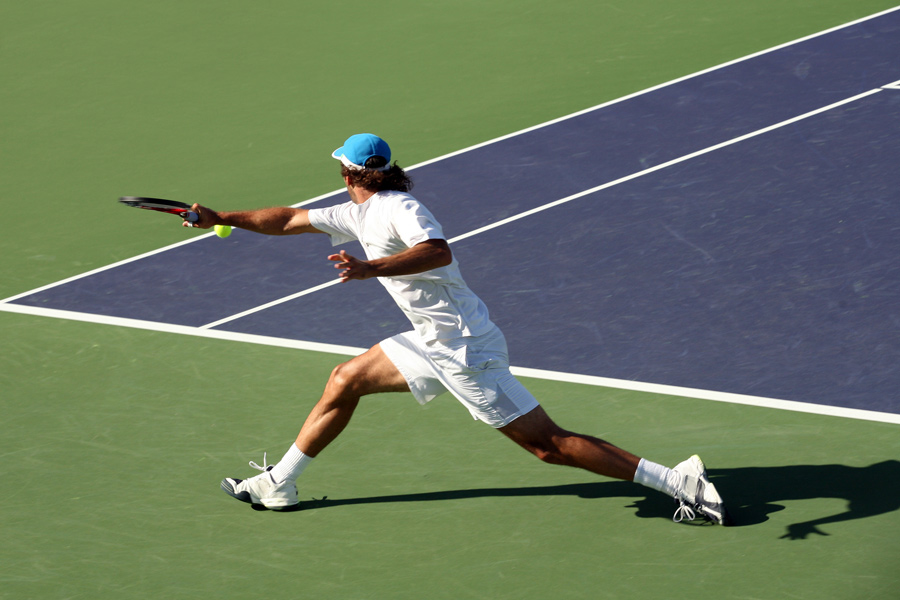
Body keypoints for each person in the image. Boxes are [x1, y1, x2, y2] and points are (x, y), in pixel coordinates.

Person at [187, 133, 729, 525]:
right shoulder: (360, 213)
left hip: (463, 349)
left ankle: (679, 483)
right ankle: (280, 483)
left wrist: (370, 268)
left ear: (349, 174)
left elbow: (436, 250)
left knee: (548, 446)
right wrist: (222, 218)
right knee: (346, 379)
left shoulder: (400, 208)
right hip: (432, 339)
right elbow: (285, 219)